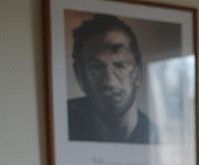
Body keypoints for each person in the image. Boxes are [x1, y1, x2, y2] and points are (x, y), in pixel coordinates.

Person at [67, 14, 158, 144]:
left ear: (138, 74)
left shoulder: (158, 138)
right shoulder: (62, 121)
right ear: (80, 76)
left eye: (120, 65)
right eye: (96, 68)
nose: (110, 81)